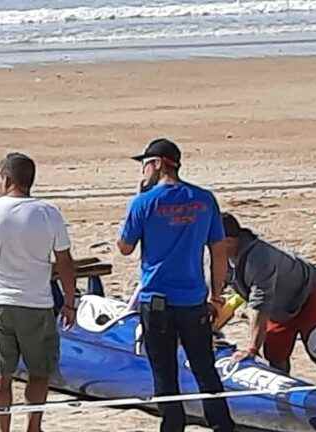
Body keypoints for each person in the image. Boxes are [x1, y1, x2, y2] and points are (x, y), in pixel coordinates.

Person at [116, 138, 234, 432]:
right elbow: (218, 251)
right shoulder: (204, 199)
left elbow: (124, 247)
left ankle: (173, 426)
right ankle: (222, 426)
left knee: (165, 374)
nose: (143, 172)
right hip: (192, 300)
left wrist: (140, 197)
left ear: (157, 164)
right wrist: (217, 294)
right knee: (204, 368)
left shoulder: (144, 202)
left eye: (145, 165)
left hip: (157, 300)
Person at [0, 152, 77, 432]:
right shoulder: (47, 212)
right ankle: (33, 426)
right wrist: (70, 302)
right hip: (35, 302)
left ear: (6, 179)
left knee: (2, 371)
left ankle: (3, 428)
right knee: (39, 372)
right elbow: (65, 262)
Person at [221, 213, 316, 385]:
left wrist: (252, 349)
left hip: (310, 295)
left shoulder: (260, 258)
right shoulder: (217, 257)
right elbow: (212, 294)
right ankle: (283, 399)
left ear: (229, 240)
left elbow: (259, 305)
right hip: (278, 307)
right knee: (275, 357)